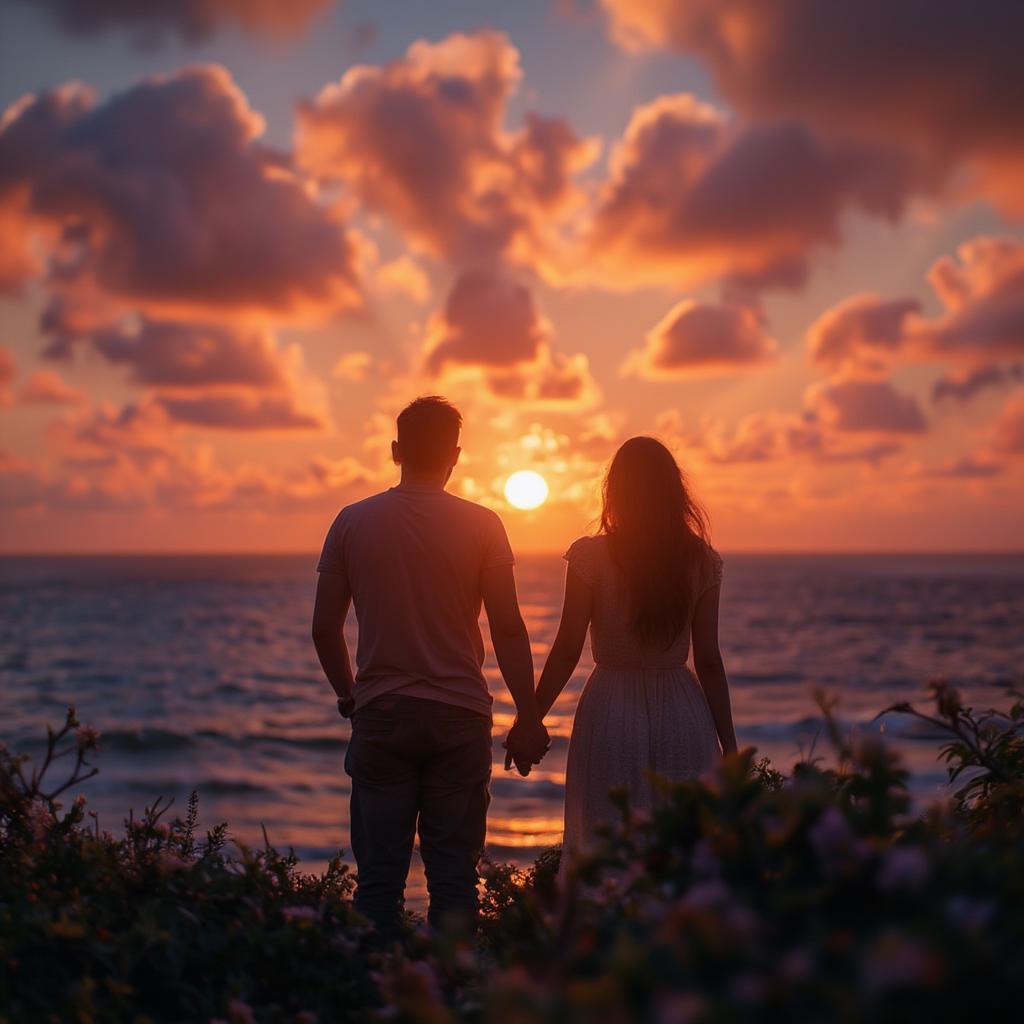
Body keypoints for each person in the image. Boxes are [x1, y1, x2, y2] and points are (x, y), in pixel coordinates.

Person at [312, 396, 549, 940]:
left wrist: (350, 696)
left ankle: (373, 999)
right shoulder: (484, 525)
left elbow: (325, 628)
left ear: (396, 450)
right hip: (460, 716)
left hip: (383, 714)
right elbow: (508, 628)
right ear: (456, 456)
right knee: (454, 884)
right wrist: (529, 716)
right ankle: (451, 998)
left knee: (376, 885)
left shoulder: (352, 521)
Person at [527, 436, 738, 871]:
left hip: (610, 711)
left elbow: (567, 648)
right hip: (684, 714)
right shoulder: (701, 560)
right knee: (680, 857)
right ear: (673, 491)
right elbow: (710, 661)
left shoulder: (591, 556)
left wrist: (531, 720)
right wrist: (730, 747)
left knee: (607, 853)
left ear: (615, 491)